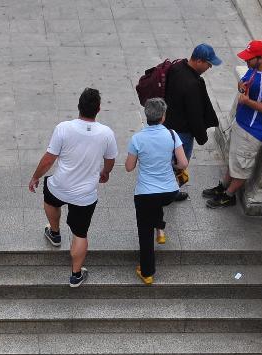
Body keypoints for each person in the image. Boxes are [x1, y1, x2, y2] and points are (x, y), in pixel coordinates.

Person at [28, 88, 118, 288]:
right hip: (85, 195)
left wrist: (35, 177)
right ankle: (76, 275)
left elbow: (49, 159)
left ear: (79, 107)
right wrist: (105, 173)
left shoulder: (63, 128)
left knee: (50, 197)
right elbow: (110, 160)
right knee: (80, 233)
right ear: (99, 109)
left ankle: (54, 232)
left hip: (60, 185)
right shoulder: (106, 133)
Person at [204, 40, 262, 209]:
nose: (246, 61)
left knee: (242, 166)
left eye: (249, 58)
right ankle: (223, 187)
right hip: (241, 123)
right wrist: (241, 87)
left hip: (253, 131)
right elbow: (243, 82)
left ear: (261, 58)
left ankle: (228, 196)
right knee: (234, 161)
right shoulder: (254, 69)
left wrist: (247, 101)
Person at [125, 98, 188, 285]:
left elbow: (129, 167)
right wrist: (171, 164)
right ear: (163, 117)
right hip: (169, 192)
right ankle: (159, 228)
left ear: (147, 116)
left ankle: (147, 272)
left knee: (145, 232)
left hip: (145, 193)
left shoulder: (137, 138)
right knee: (157, 202)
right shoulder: (172, 134)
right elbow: (183, 163)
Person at [164, 43, 222, 164]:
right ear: (199, 61)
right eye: (209, 64)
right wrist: (202, 137)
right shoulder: (193, 84)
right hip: (182, 134)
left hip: (166, 126)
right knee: (179, 168)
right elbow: (194, 114)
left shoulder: (177, 67)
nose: (209, 67)